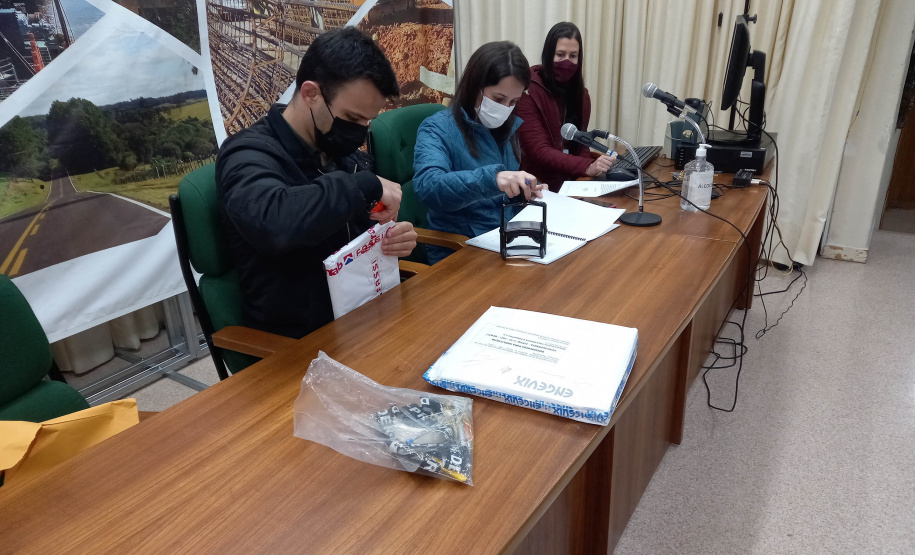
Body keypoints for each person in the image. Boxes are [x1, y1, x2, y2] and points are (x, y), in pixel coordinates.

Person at [216, 27, 417, 339]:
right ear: (311, 94)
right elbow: (276, 223)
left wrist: (389, 238)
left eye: (367, 121)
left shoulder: (335, 150)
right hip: (303, 342)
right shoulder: (246, 155)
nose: (359, 132)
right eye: (352, 119)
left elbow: (350, 224)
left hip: (361, 317)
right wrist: (364, 185)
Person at [413, 41, 545, 264]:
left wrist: (523, 192)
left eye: (513, 101)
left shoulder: (507, 126)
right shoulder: (436, 128)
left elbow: (500, 194)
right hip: (459, 250)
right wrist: (493, 179)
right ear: (475, 86)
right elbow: (428, 186)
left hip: (501, 241)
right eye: (498, 99)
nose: (505, 109)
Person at [515, 22, 617, 192]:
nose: (567, 62)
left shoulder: (581, 95)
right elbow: (539, 151)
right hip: (538, 186)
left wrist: (586, 174)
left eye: (573, 56)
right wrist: (586, 166)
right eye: (560, 54)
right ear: (548, 55)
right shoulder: (527, 92)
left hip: (572, 182)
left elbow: (582, 144)